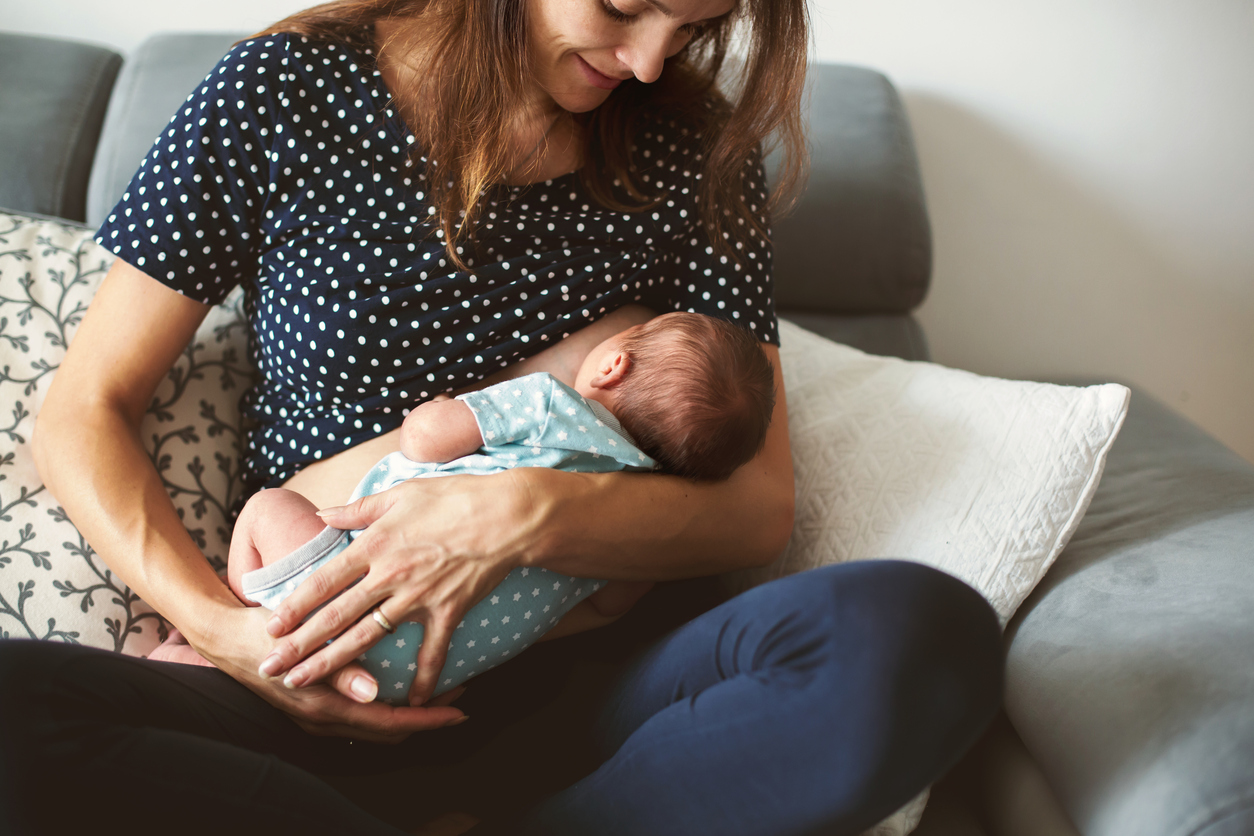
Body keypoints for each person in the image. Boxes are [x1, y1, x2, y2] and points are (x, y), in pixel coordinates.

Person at [5, 0, 1003, 833]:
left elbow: (755, 505)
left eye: (693, 26)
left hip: (578, 698)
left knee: (914, 632)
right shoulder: (286, 89)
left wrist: (523, 511)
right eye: (622, 5)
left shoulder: (700, 153)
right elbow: (83, 412)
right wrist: (230, 637)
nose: (652, 59)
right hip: (302, 681)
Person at [153, 312, 776, 706]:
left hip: (343, 582)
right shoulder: (633, 530)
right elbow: (607, 608)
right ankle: (220, 667)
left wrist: (447, 403)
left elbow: (423, 440)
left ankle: (244, 614)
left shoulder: (549, 404)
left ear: (614, 362)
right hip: (418, 676)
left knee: (268, 507)